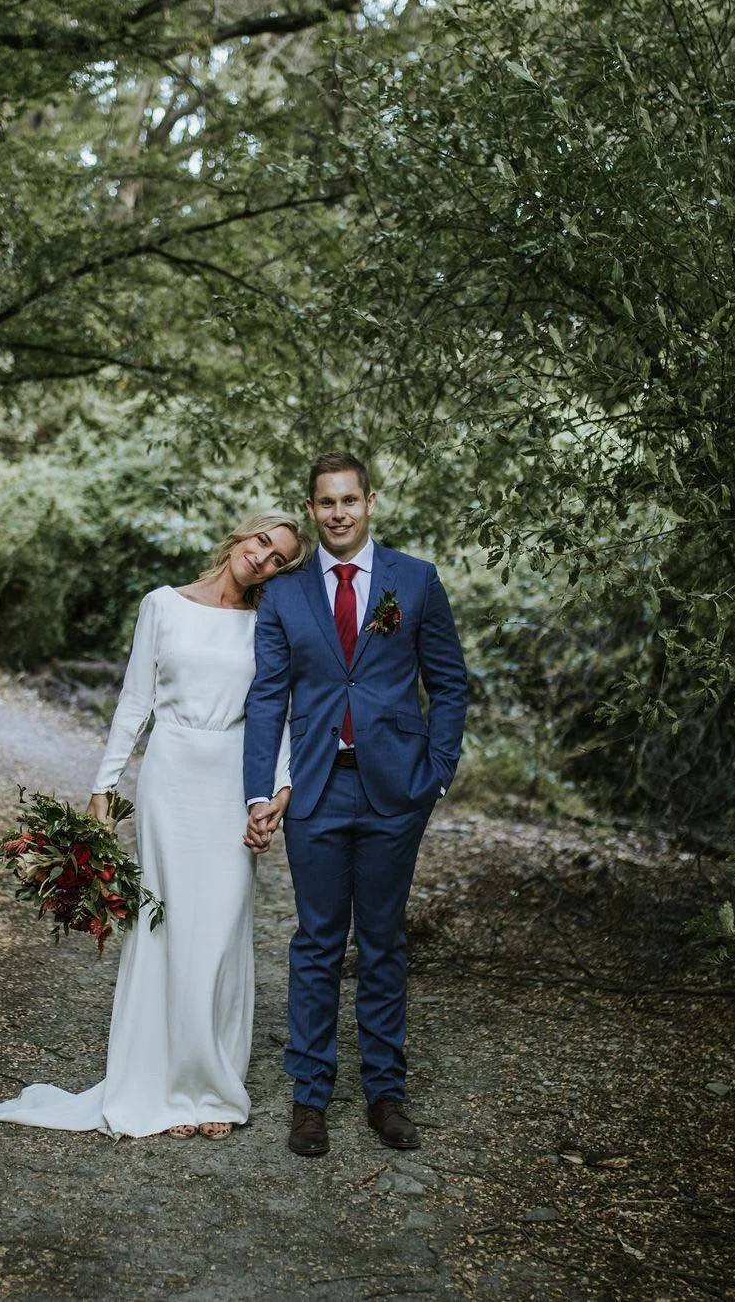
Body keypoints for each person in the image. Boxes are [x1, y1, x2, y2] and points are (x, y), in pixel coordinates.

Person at [0, 511, 307, 1139]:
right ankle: (162, 1086)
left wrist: (279, 794)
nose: (263, 560)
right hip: (170, 776)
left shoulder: (269, 623)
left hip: (233, 778)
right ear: (241, 534)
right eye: (262, 543)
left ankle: (212, 1088)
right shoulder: (163, 605)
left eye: (279, 561)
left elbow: (283, 715)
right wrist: (102, 786)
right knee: (167, 928)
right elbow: (135, 700)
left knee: (220, 932)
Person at [243, 451, 469, 1157]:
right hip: (314, 786)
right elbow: (267, 697)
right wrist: (260, 788)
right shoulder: (284, 594)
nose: (338, 511)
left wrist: (436, 772)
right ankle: (310, 1098)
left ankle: (384, 1093)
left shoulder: (416, 582)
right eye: (325, 501)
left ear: (370, 501)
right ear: (310, 509)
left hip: (395, 789)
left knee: (381, 941)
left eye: (349, 499)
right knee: (315, 940)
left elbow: (450, 683)